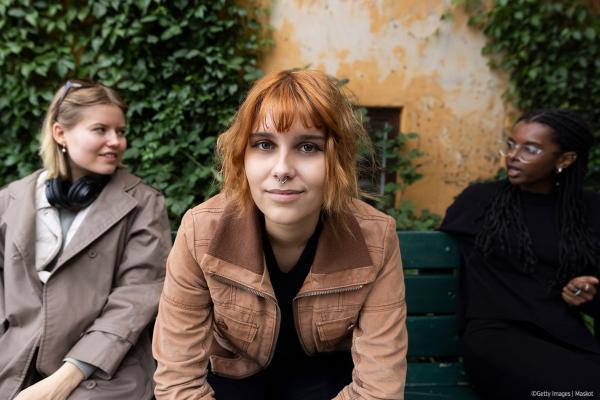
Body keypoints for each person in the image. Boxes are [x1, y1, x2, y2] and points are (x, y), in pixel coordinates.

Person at [152, 69, 407, 399]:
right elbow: (178, 379)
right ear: (242, 156)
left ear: (338, 160)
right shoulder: (200, 231)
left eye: (307, 147)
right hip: (233, 383)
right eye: (263, 144)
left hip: (329, 387)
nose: (283, 169)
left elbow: (378, 389)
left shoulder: (376, 237)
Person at [0, 79, 171, 399]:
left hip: (104, 370)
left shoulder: (144, 203)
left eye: (120, 131)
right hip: (14, 362)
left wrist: (63, 380)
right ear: (60, 133)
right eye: (100, 129)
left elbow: (136, 299)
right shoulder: (11, 200)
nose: (115, 141)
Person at [440, 109, 600, 399]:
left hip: (565, 338)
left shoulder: (587, 213)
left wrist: (588, 293)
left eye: (531, 149)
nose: (514, 155)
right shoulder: (479, 203)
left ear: (565, 160)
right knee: (583, 392)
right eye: (512, 144)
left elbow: (593, 288)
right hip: (496, 337)